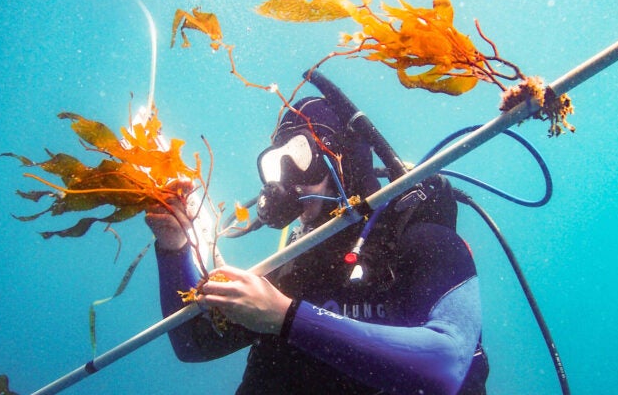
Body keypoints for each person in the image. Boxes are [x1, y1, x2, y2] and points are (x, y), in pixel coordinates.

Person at [146, 94, 489, 394]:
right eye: (275, 165)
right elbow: (193, 343)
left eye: (301, 155)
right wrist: (175, 247)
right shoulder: (292, 268)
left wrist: (285, 316)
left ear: (346, 161)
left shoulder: (421, 238)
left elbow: (447, 366)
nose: (287, 181)